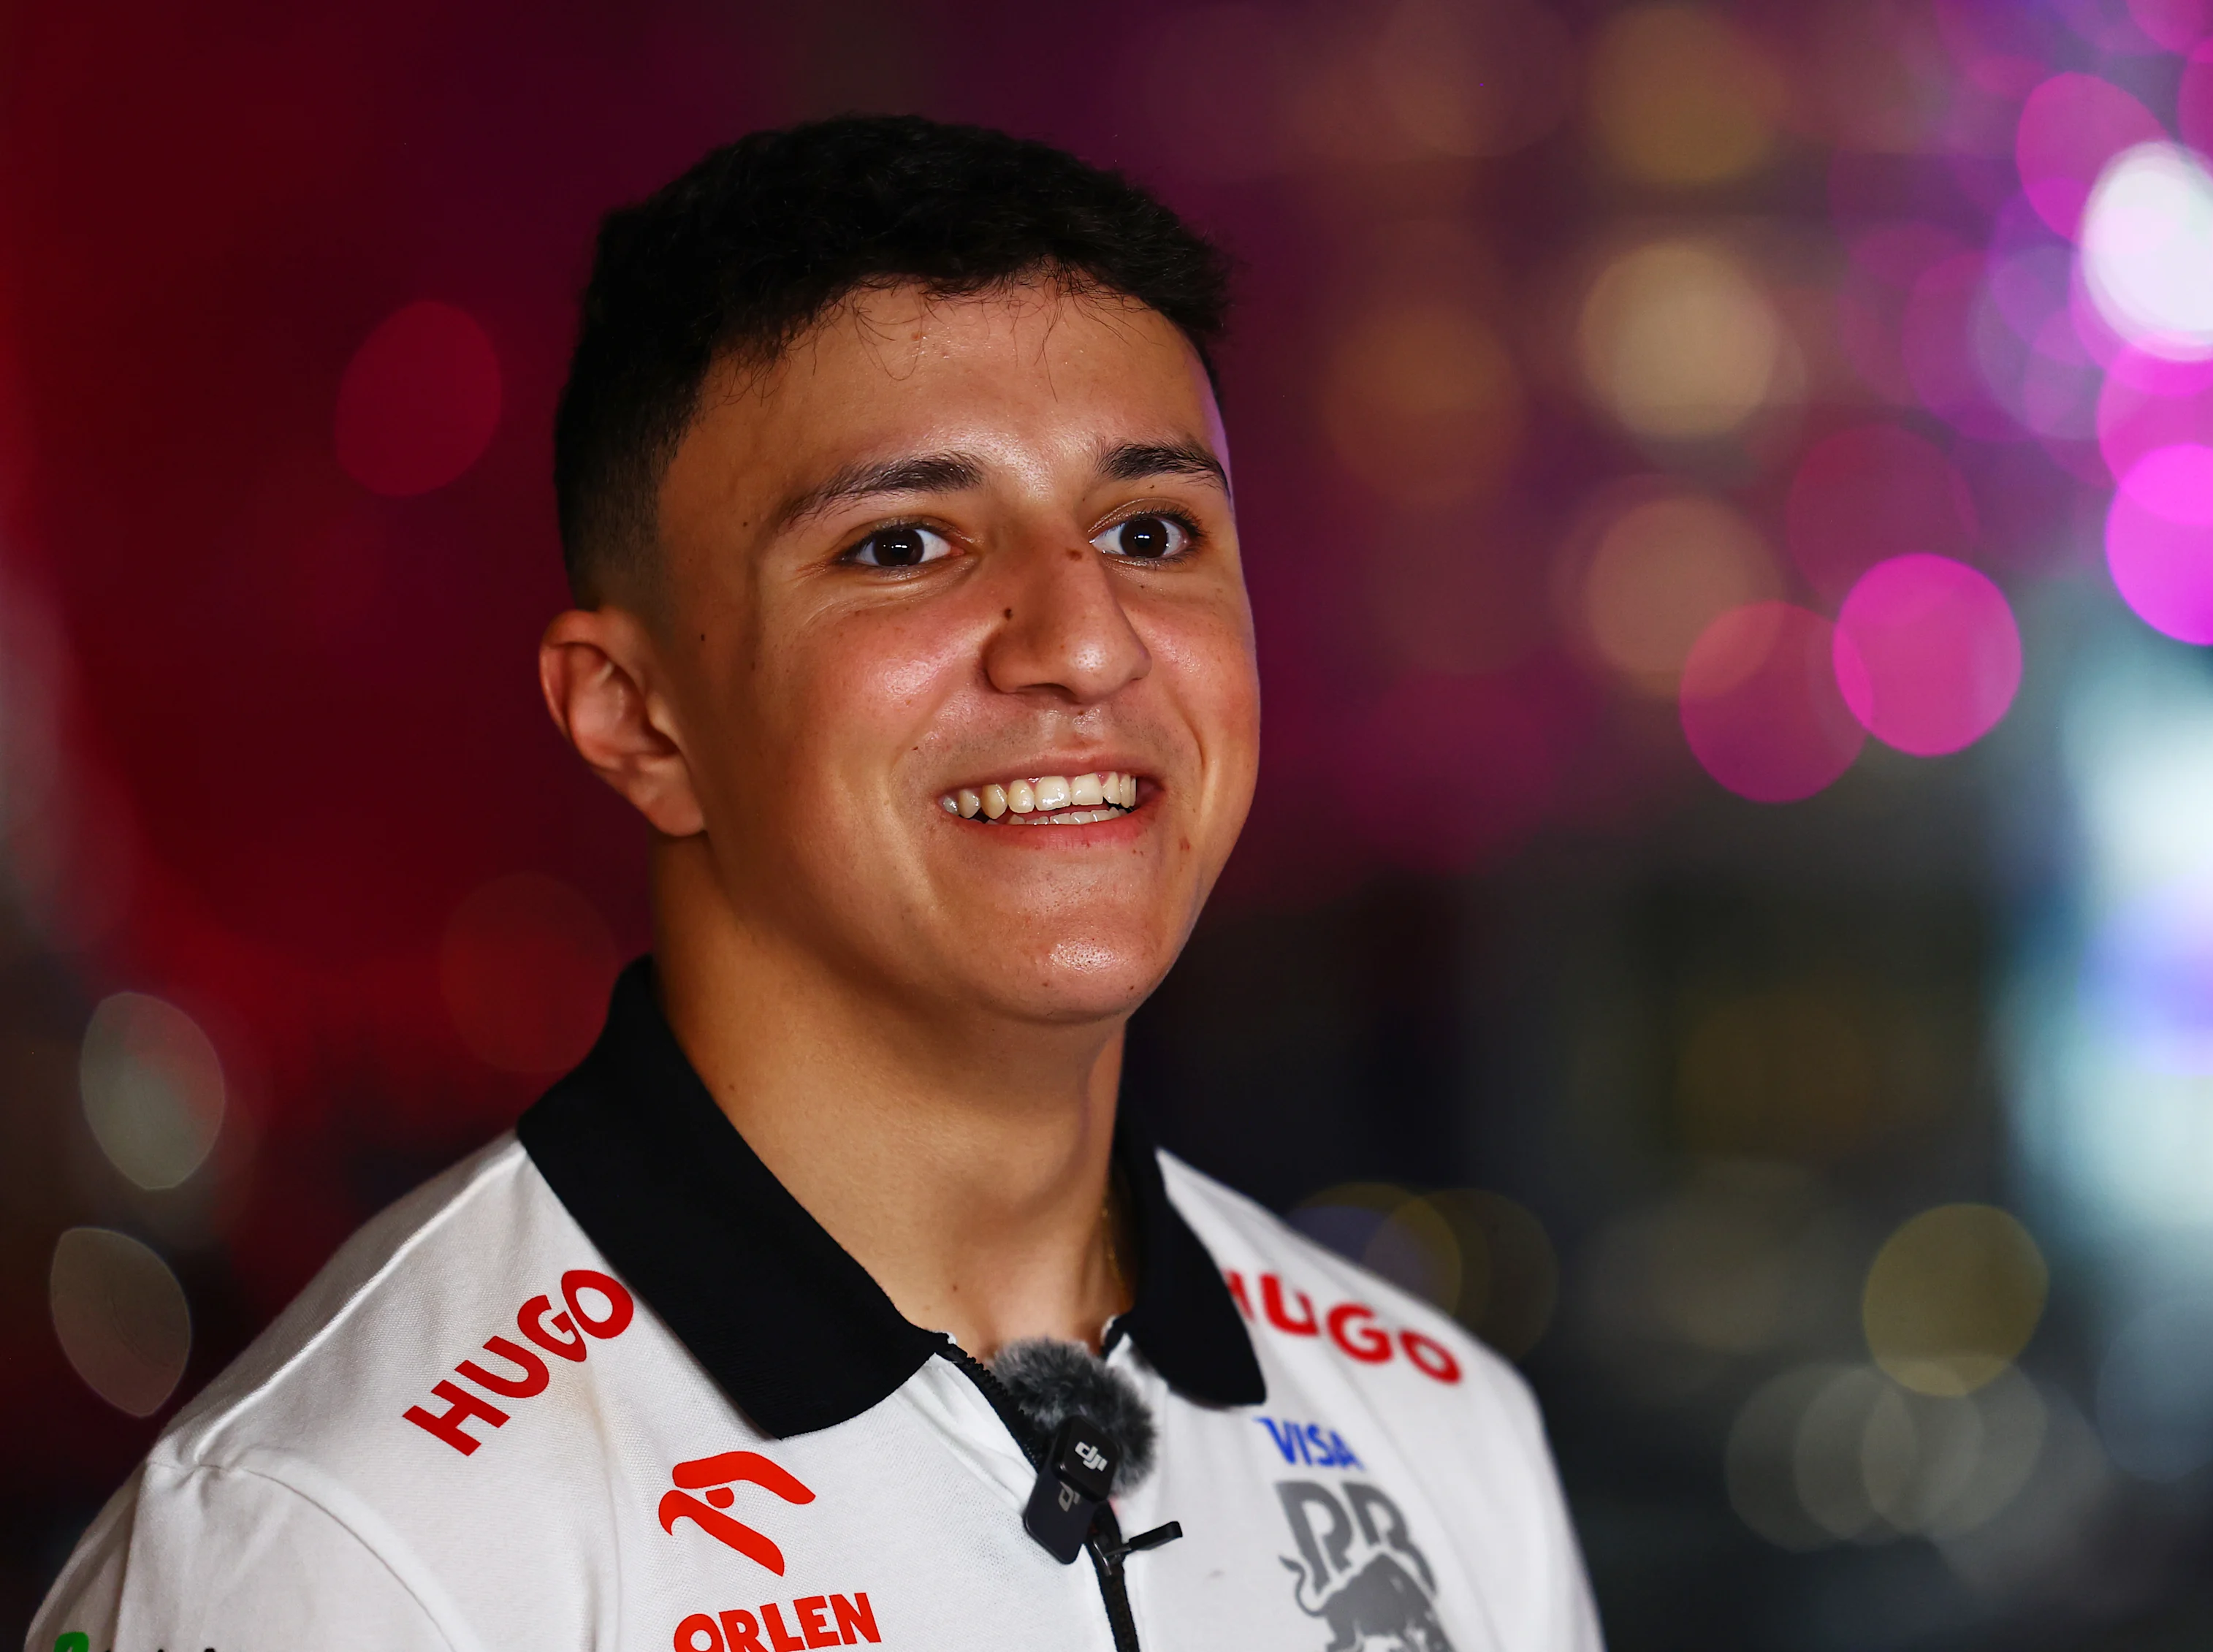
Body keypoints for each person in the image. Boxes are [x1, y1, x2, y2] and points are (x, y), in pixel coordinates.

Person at [31, 115, 1600, 1652]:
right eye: (905, 544)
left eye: (1148, 527)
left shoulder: (1434, 1428)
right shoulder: (349, 1536)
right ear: (634, 718)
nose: (1082, 639)